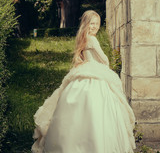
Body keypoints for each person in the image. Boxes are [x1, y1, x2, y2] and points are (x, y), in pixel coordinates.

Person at [31, 10, 136, 153]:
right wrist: (104, 64)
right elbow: (104, 59)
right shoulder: (92, 39)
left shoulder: (82, 37)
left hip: (85, 68)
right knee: (98, 106)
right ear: (86, 24)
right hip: (94, 70)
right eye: (92, 23)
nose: (95, 27)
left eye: (97, 24)